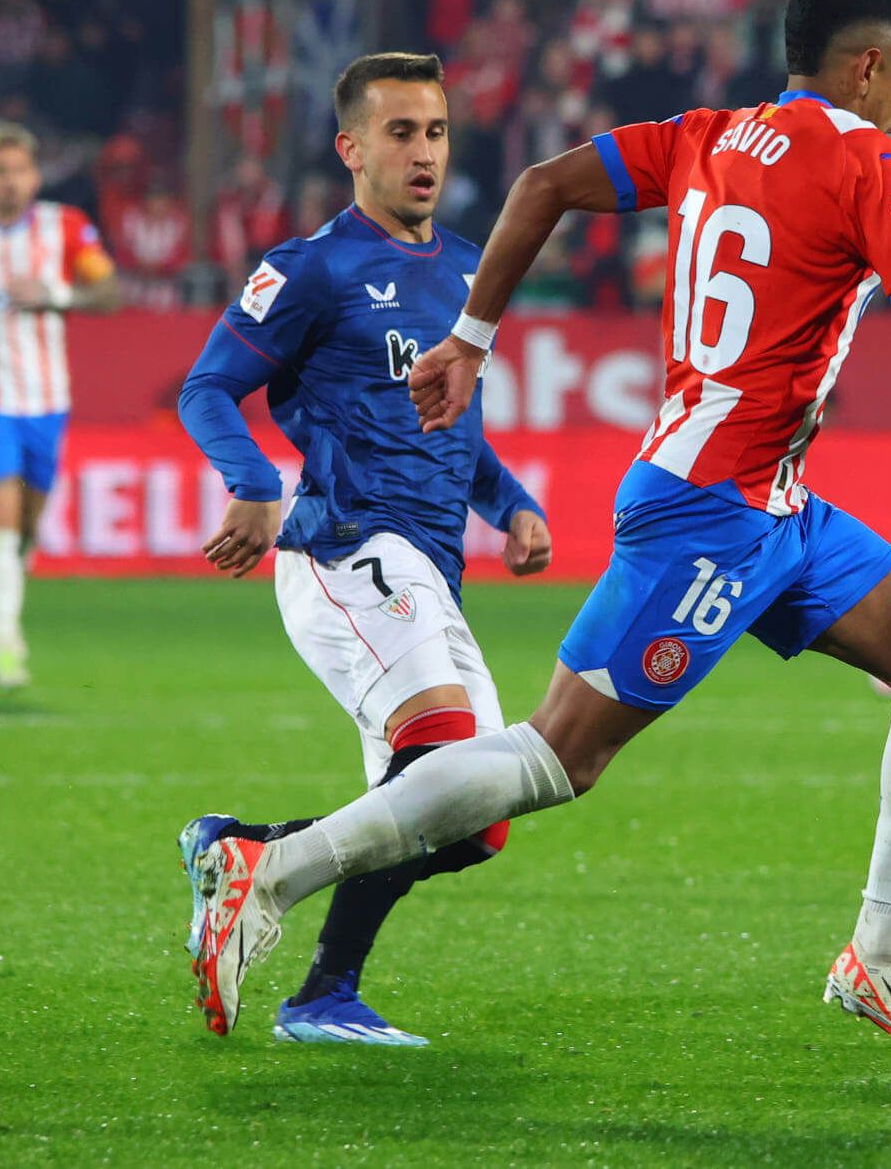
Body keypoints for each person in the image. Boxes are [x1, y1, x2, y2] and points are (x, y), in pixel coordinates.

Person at [179, 0, 891, 1070]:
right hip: (710, 515)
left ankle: (880, 959)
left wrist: (470, 337)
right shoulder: (871, 160)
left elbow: (539, 184)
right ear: (866, 64)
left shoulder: (706, 135)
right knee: (550, 762)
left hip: (774, 501)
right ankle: (268, 870)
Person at [175, 53, 552, 1045]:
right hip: (345, 544)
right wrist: (253, 482)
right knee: (441, 755)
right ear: (351, 148)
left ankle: (307, 964)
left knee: (475, 818)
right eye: (398, 133)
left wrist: (510, 501)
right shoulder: (313, 268)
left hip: (430, 561)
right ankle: (263, 889)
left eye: (433, 131)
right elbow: (207, 386)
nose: (422, 152)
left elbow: (449, 421)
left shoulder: (471, 267)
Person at [0, 120, 118, 689]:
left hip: (47, 399)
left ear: (36, 176)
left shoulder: (66, 228)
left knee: (27, 525)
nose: (10, 181)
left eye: (18, 170)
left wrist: (58, 295)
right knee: (1, 517)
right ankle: (7, 643)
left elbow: (109, 292)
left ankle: (8, 581)